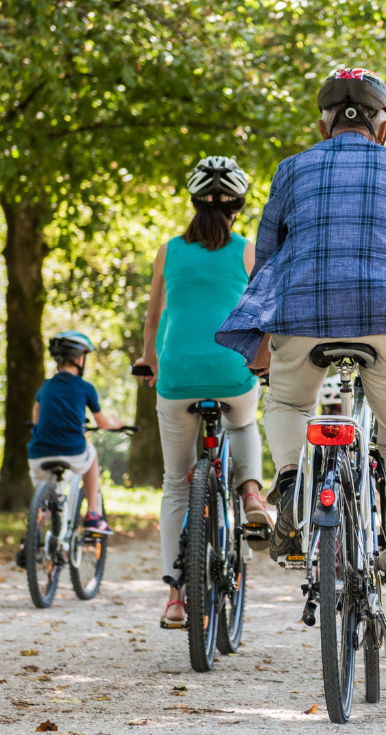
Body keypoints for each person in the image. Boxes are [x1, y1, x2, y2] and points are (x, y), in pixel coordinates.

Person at [216, 67, 386, 653]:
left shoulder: (292, 169)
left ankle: (290, 482)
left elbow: (267, 258)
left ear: (323, 123)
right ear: (382, 125)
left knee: (286, 399)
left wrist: (261, 328)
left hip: (302, 322)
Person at [132, 156, 271, 630]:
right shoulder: (248, 250)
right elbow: (263, 314)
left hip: (176, 377)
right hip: (232, 370)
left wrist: (149, 360)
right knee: (244, 418)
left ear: (193, 202)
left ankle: (175, 597)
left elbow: (154, 318)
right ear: (238, 206)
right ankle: (251, 494)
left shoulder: (168, 250)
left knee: (176, 484)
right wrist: (263, 360)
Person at [17, 330, 124, 568]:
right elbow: (102, 423)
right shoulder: (85, 387)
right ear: (79, 358)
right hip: (72, 451)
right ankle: (94, 516)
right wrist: (117, 424)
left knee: (46, 499)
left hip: (38, 453)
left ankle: (29, 539)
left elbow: (36, 413)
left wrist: (39, 426)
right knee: (92, 453)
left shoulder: (45, 386)